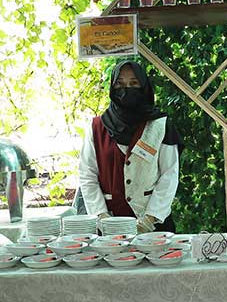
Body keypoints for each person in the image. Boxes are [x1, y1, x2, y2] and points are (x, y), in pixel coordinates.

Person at [77, 60, 181, 233]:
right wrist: (101, 216)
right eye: (120, 84)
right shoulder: (97, 127)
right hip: (110, 226)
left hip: (154, 227)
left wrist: (150, 218)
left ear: (144, 87)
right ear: (112, 87)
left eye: (133, 84)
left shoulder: (160, 125)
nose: (126, 90)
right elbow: (87, 174)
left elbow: (169, 174)